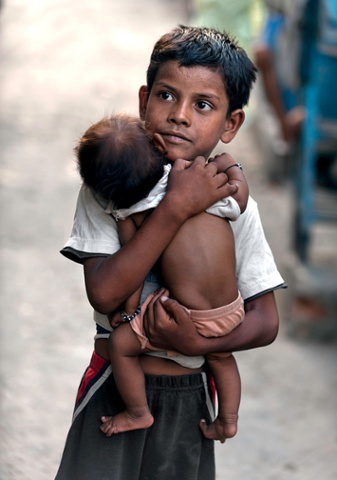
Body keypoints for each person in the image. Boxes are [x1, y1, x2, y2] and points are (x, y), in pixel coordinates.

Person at [55, 25, 285, 480]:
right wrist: (175, 208)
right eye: (166, 96)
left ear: (231, 124)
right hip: (115, 391)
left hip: (192, 397)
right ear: (143, 101)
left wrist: (200, 343)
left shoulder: (234, 204)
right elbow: (104, 294)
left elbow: (266, 320)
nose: (179, 116)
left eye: (203, 105)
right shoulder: (109, 181)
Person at [75, 113, 249, 441]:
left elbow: (134, 272)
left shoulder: (131, 214)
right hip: (232, 310)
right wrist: (233, 166)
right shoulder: (198, 182)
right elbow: (238, 200)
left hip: (189, 315)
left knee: (120, 346)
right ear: (156, 144)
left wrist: (128, 311)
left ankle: (137, 413)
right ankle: (228, 419)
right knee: (221, 357)